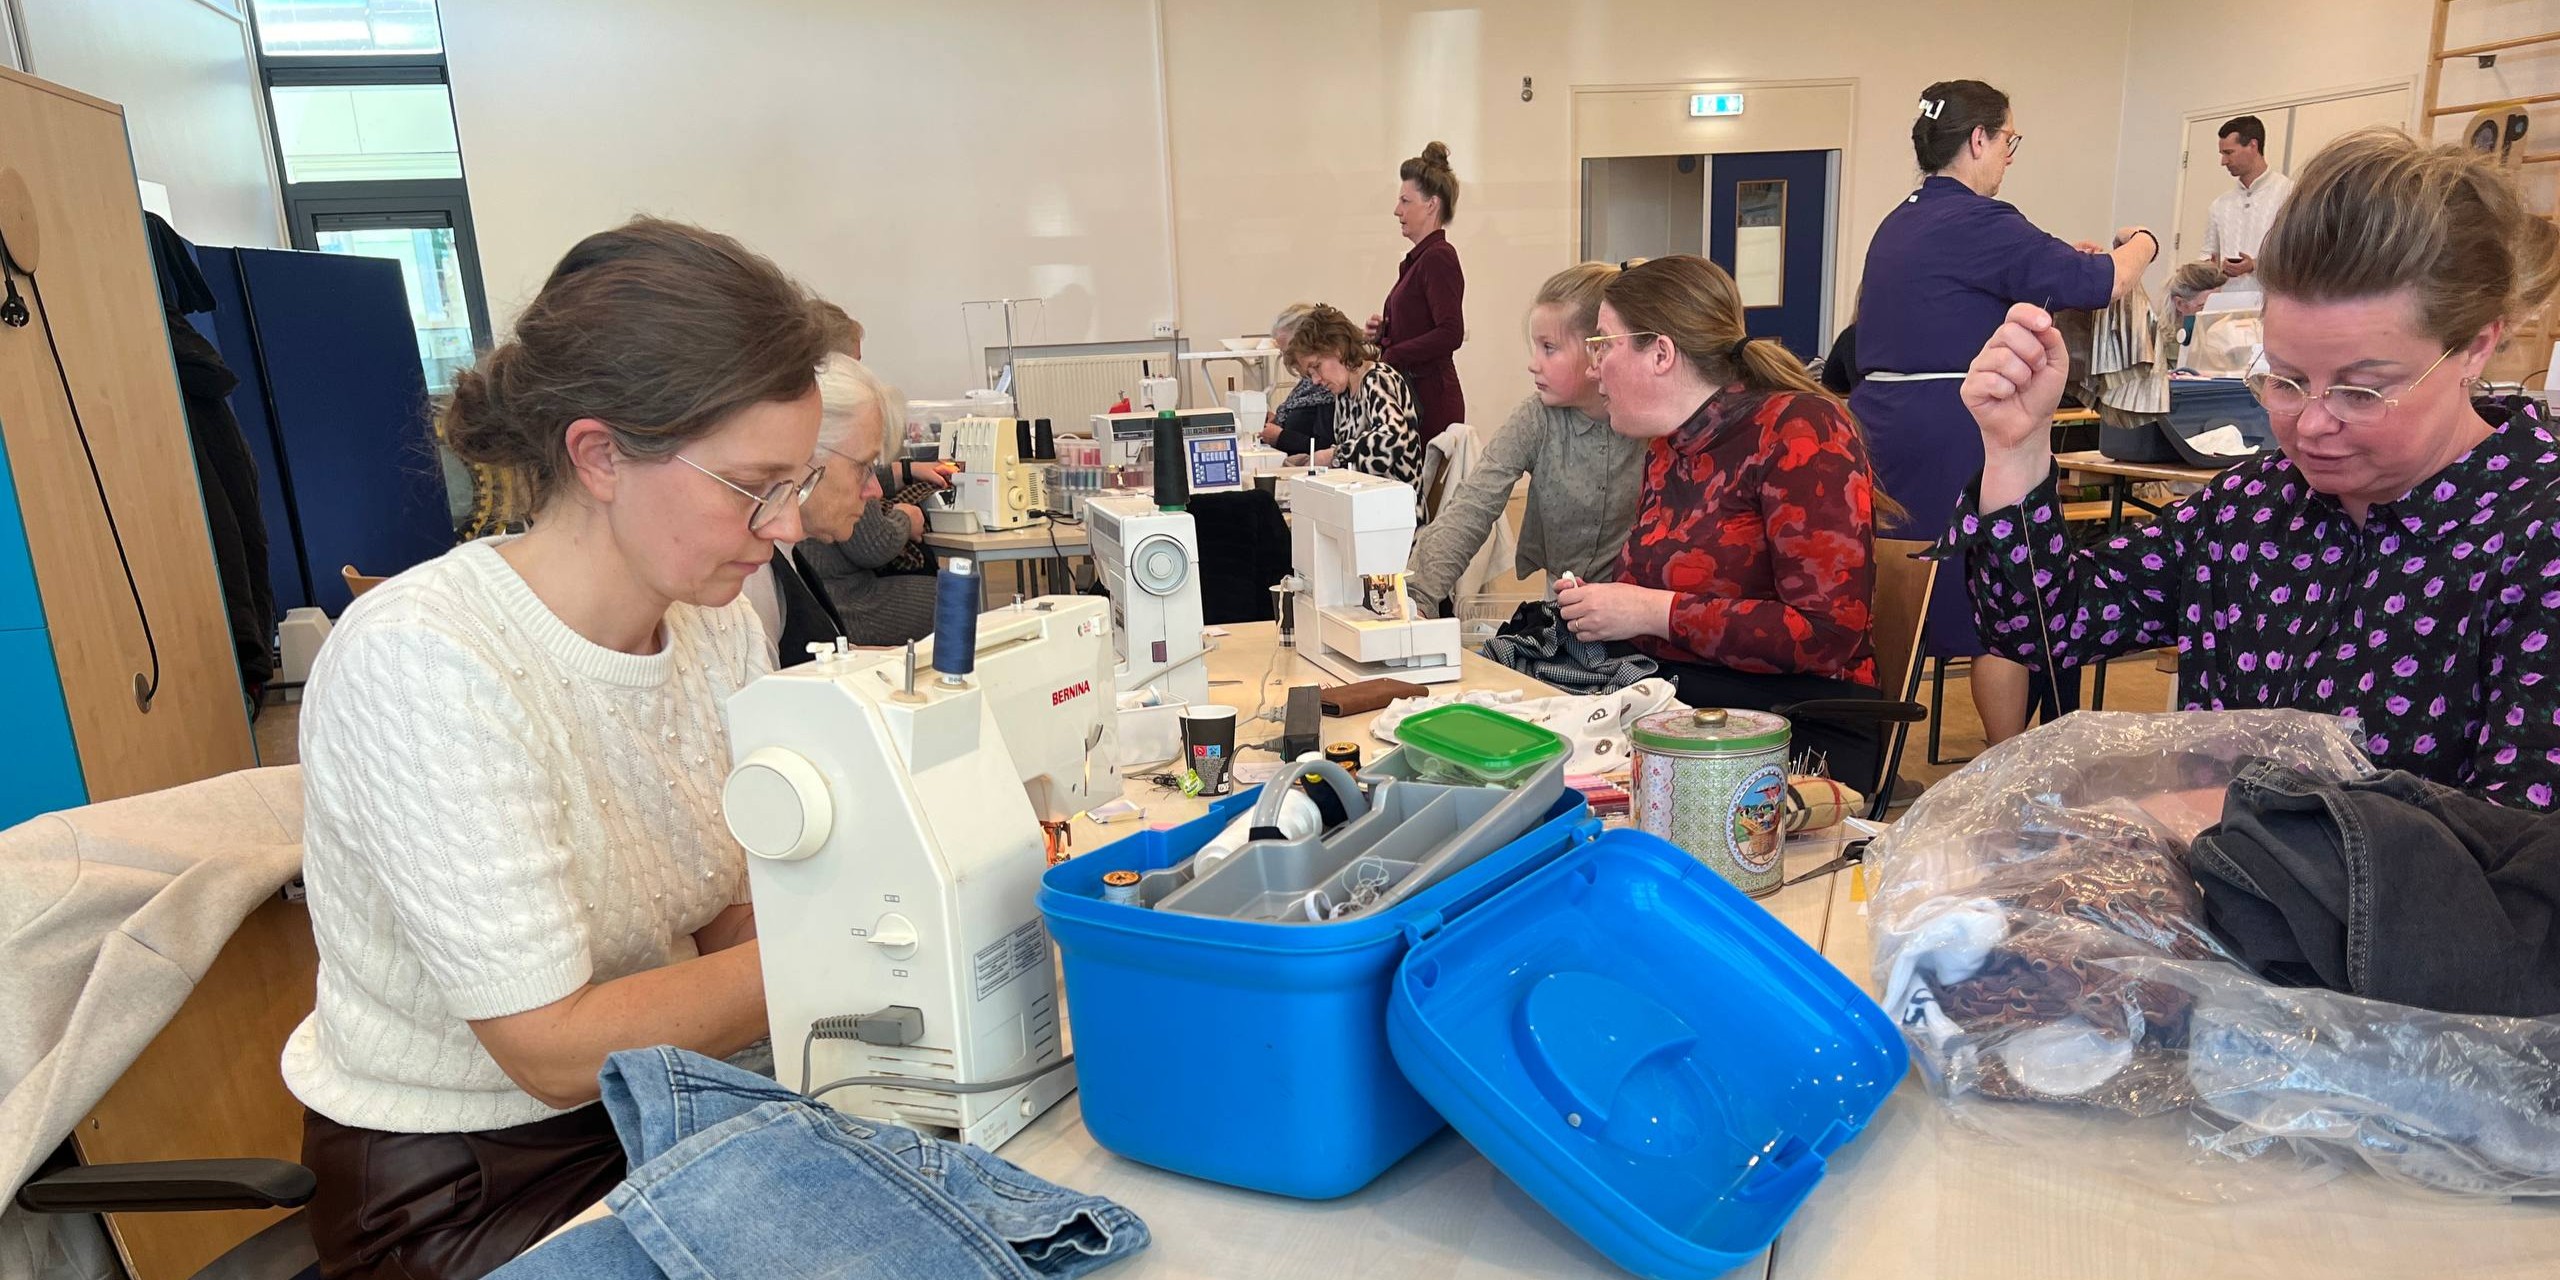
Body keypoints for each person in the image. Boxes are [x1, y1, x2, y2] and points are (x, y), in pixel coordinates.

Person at [285, 217, 833, 1280]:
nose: (790, 526)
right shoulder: (429, 658)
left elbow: (727, 903)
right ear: (599, 455)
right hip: (469, 1179)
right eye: (754, 484)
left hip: (676, 1099)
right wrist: (857, 940)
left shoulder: (714, 620)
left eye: (800, 481)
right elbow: (549, 1044)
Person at [1953, 127, 2560, 810]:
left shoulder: (2537, 534)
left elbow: (2522, 850)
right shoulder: (2257, 506)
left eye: (2361, 390)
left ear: (2474, 349)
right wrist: (2016, 449)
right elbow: (2045, 626)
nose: (2311, 423)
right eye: (2286, 379)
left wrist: (2239, 828)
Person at [1850, 79, 2158, 746]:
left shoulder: (1900, 221)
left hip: (1883, 423)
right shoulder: (1977, 220)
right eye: (2008, 140)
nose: (2008, 156)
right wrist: (2143, 243)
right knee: (2001, 602)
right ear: (1979, 139)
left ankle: (1876, 757)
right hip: (1953, 427)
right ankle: (2006, 764)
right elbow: (2100, 282)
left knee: (1903, 590)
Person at [1564, 255, 1895, 791]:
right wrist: (1603, 608)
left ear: (1661, 353)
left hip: (1797, 729)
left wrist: (1652, 611)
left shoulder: (1801, 430)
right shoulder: (1670, 446)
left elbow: (1826, 634)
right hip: (1687, 704)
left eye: (1603, 344)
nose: (1592, 367)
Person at [1406, 262, 1647, 615]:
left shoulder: (1651, 423)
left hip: (1637, 604)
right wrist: (1417, 597)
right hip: (1562, 598)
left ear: (1600, 350)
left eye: (1549, 348)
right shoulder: (1536, 417)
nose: (1533, 364)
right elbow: (1473, 505)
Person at [743, 352, 904, 666]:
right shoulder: (752, 576)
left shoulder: (785, 553)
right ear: (806, 452)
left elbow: (810, 659)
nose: (875, 490)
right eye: (863, 467)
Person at [800, 358, 951, 647]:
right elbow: (872, 546)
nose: (875, 490)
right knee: (954, 601)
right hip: (852, 603)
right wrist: (905, 518)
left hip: (843, 606)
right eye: (863, 466)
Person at [1369, 141, 1467, 443]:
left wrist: (1394, 353)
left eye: (1405, 201)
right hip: (1413, 392)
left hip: (1429, 400)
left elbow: (1450, 332)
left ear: (1431, 204)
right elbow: (1424, 324)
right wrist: (1385, 332)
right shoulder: (1421, 259)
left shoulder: (1438, 257)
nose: (1397, 210)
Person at [1281, 303, 1423, 484]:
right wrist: (1313, 459)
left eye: (1316, 367)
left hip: (1394, 507)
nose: (1316, 380)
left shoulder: (1377, 379)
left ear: (1338, 349)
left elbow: (1392, 439)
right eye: (1310, 374)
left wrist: (1334, 456)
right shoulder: (1344, 394)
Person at [2200, 114, 2295, 302]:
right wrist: (2208, 270)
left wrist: (2255, 265)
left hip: (2274, 306)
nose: (2223, 161)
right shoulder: (2220, 205)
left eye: (2229, 153)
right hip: (2226, 307)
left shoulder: (2290, 194)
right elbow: (2207, 255)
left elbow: (2300, 254)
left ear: (2253, 145)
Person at [1260, 301, 1338, 459]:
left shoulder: (1327, 387)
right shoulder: (1308, 383)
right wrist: (1278, 420)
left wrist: (1281, 437)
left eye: (1288, 351)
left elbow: (1326, 446)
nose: (1287, 359)